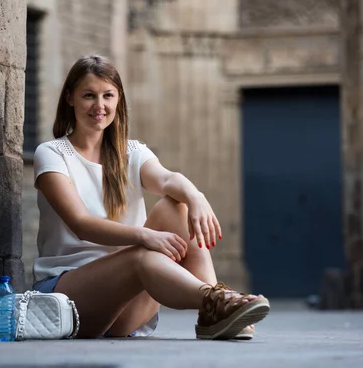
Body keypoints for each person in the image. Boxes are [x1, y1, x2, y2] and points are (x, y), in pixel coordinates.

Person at [31, 54, 270, 340]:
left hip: (126, 306)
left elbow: (168, 179)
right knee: (141, 256)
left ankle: (214, 311)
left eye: (108, 95)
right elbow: (81, 223)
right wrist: (144, 237)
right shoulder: (52, 153)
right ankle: (216, 300)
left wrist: (196, 197)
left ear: (118, 100)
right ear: (70, 98)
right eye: (88, 95)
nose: (100, 105)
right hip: (69, 297)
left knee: (175, 207)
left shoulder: (131, 152)